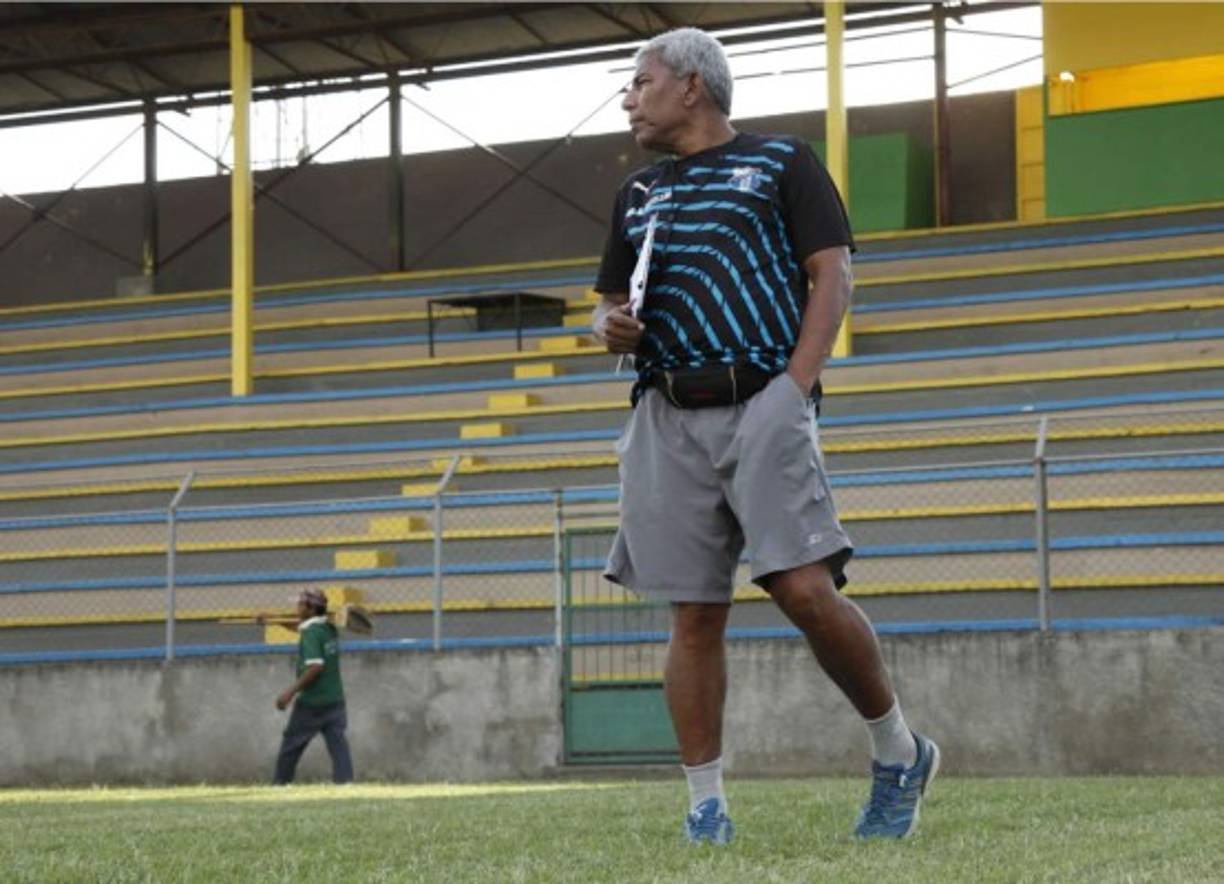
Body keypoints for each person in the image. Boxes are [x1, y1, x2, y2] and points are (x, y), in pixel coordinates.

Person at [592, 28, 938, 845]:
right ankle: (705, 807)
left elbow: (834, 272)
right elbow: (604, 299)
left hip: (765, 399)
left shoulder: (783, 162)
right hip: (664, 411)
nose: (628, 99)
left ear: (692, 87)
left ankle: (898, 751)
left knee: (805, 591)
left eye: (640, 83)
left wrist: (796, 384)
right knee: (692, 614)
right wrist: (608, 326)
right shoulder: (638, 193)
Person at [270, 588, 354, 785]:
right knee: (338, 745)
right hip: (335, 700)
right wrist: (276, 620)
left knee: (291, 745)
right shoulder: (328, 627)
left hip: (312, 703)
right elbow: (300, 625)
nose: (296, 607)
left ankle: (280, 784)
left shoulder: (310, 634)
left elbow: (315, 667)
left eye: (300, 604)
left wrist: (289, 693)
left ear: (310, 609)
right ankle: (346, 782)